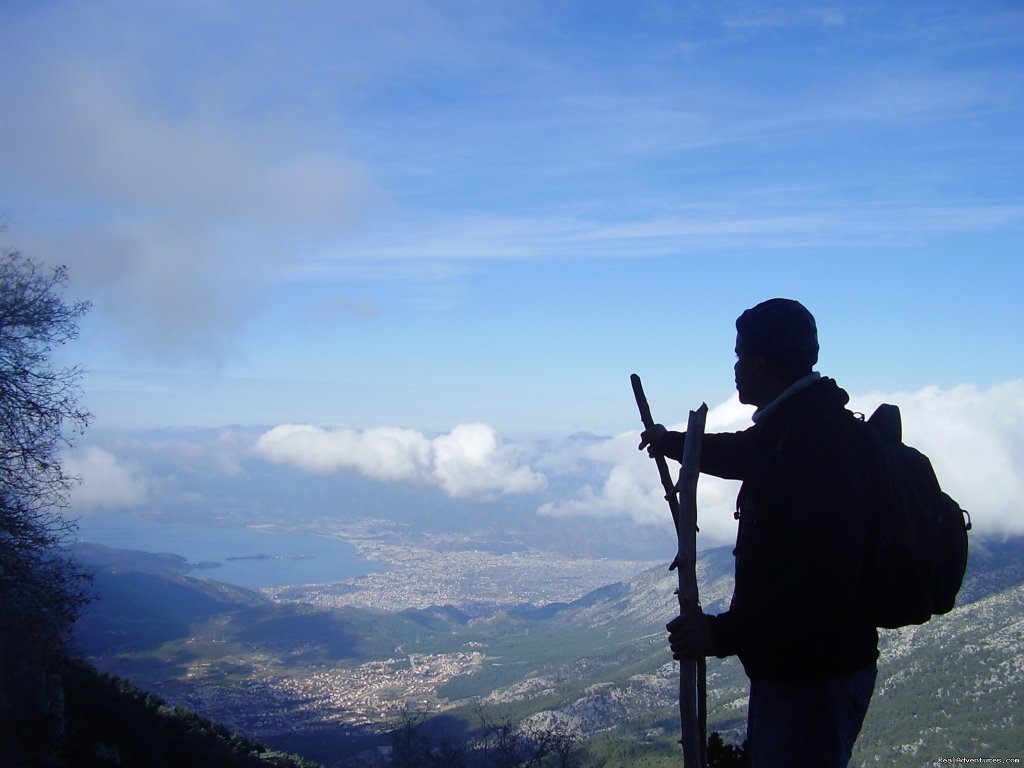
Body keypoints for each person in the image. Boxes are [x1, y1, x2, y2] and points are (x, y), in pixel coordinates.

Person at [639, 298, 878, 768]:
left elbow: (827, 577)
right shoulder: (795, 423)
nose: (735, 367)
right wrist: (671, 443)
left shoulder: (816, 440)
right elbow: (740, 455)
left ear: (761, 363)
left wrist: (722, 634)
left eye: (739, 355)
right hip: (799, 665)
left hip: (814, 673)